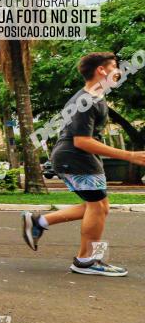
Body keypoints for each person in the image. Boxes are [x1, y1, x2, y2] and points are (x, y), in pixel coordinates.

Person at [22, 53, 145, 276]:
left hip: (80, 158)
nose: (119, 71)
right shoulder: (85, 100)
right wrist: (129, 155)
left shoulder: (96, 97)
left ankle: (39, 221)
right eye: (115, 66)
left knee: (99, 207)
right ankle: (86, 261)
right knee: (97, 207)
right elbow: (82, 140)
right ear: (101, 70)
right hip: (75, 157)